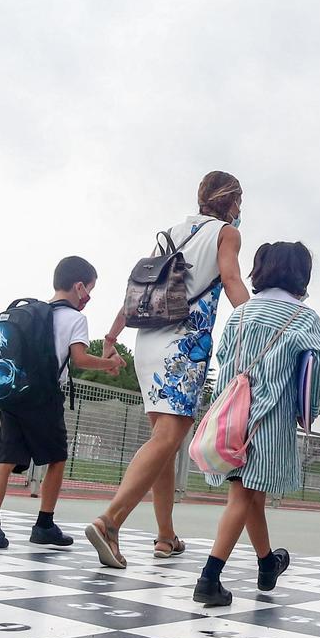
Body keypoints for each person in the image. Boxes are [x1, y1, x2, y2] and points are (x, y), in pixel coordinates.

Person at [86, 172, 251, 568]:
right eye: (240, 201)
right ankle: (111, 521)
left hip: (148, 340)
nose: (241, 210)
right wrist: (256, 319)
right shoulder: (226, 234)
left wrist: (112, 335)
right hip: (183, 345)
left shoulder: (172, 232)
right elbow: (230, 279)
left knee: (164, 439)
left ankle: (164, 536)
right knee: (167, 438)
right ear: (230, 201)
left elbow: (145, 284)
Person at [193, 241, 320, 606]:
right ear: (301, 275)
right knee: (243, 493)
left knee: (248, 491)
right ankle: (209, 578)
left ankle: (266, 563)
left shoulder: (241, 313)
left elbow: (224, 356)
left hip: (231, 415)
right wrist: (309, 406)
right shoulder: (304, 318)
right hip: (268, 418)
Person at [0, 256, 126, 549]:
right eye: (90, 290)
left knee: (5, 459)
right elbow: (80, 359)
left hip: (14, 393)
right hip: (44, 397)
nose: (89, 298)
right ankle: (44, 523)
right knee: (57, 458)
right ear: (79, 286)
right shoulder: (75, 318)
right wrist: (108, 364)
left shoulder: (32, 312)